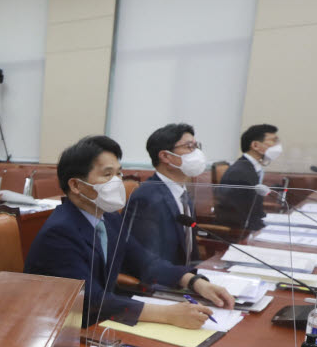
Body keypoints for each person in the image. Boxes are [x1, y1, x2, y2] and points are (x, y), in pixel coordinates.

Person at [24, 135, 234, 328]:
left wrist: (192, 281)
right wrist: (167, 314)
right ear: (76, 185)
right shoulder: (60, 232)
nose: (117, 181)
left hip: (99, 322)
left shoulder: (110, 217)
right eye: (107, 174)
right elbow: (89, 299)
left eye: (118, 173)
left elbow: (144, 261)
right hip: (61, 330)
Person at [125, 123, 205, 266]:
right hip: (164, 282)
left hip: (189, 278)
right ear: (166, 156)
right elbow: (147, 261)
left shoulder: (184, 193)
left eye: (196, 146)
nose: (196, 153)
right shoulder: (147, 199)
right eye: (189, 147)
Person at [215, 124, 280, 230]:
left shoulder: (250, 167)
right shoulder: (239, 172)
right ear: (255, 145)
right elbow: (236, 216)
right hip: (240, 232)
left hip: (251, 225)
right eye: (273, 141)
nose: (277, 146)